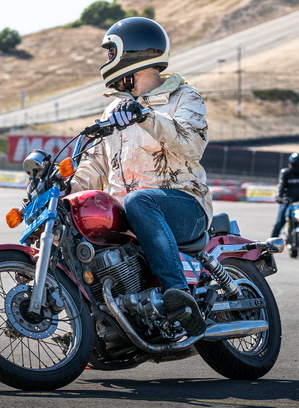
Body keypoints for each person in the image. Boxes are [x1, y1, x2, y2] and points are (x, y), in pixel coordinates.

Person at [71, 17, 211, 337]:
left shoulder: (184, 97)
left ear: (132, 54)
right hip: (131, 211)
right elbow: (95, 164)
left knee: (139, 200)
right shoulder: (114, 111)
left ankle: (179, 297)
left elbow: (191, 144)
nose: (107, 60)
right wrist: (66, 188)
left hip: (183, 204)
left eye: (111, 53)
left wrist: (145, 116)